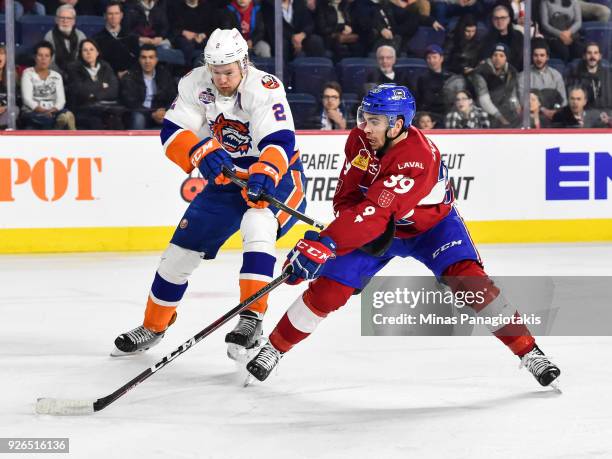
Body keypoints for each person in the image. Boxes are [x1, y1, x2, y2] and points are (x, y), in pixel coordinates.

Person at [244, 83, 561, 390]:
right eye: (365, 118)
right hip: (377, 225)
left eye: (375, 121)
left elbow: (377, 213)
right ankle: (274, 348)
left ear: (397, 124)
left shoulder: (416, 158)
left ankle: (529, 351)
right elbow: (348, 197)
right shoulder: (361, 140)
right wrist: (336, 238)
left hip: (431, 227)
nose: (365, 128)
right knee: (330, 289)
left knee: (471, 284)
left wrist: (327, 242)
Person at [112, 29, 308, 362]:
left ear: (243, 63)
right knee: (179, 253)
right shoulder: (194, 82)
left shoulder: (264, 87)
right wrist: (200, 151)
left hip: (278, 177)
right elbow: (173, 130)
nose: (221, 78)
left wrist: (264, 174)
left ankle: (252, 319)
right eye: (215, 71)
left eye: (228, 71)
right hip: (227, 179)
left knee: (258, 226)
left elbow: (279, 142)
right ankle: (153, 325)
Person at [66, 39, 122, 129]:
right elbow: (81, 91)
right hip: (83, 109)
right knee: (95, 122)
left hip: (105, 107)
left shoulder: (105, 66)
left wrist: (94, 94)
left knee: (117, 122)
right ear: (81, 53)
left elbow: (114, 90)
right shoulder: (73, 68)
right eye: (85, 50)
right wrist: (102, 86)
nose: (88, 53)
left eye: (91, 49)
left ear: (97, 52)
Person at [20, 41, 76, 130]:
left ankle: (69, 135)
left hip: (53, 111)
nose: (43, 59)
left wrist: (53, 109)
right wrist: (43, 111)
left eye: (47, 56)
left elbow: (61, 100)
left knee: (67, 114)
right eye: (40, 55)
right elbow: (27, 99)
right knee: (47, 119)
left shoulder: (56, 76)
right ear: (35, 57)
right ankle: (56, 128)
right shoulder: (28, 73)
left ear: (51, 58)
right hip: (33, 112)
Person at [120, 45, 176, 129]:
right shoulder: (130, 76)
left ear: (156, 60)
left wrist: (165, 112)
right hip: (140, 112)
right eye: (144, 57)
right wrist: (152, 113)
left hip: (160, 113)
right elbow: (130, 102)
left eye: (151, 57)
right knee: (138, 118)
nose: (147, 61)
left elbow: (173, 97)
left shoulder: (164, 75)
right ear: (139, 60)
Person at [471, 43, 521, 127]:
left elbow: (513, 96)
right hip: (484, 111)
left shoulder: (512, 72)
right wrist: (501, 118)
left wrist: (518, 110)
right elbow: (484, 100)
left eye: (501, 56)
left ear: (506, 58)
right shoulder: (480, 72)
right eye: (495, 55)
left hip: (504, 108)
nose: (498, 58)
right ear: (491, 57)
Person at [518, 39, 567, 117]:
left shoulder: (556, 75)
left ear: (547, 57)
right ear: (532, 57)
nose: (539, 59)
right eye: (536, 55)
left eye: (542, 55)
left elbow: (563, 101)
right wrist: (543, 110)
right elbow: (522, 100)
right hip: (531, 117)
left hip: (554, 116)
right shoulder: (523, 76)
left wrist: (555, 112)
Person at [93, 1, 140, 78]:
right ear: (105, 16)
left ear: (121, 15)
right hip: (107, 79)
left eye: (116, 13)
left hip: (130, 78)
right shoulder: (96, 39)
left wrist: (128, 73)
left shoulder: (132, 37)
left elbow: (137, 61)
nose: (113, 17)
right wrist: (115, 74)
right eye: (110, 14)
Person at [566, 42, 612, 111]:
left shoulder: (609, 74)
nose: (592, 56)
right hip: (585, 113)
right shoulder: (575, 74)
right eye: (589, 53)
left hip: (608, 113)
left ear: (600, 56)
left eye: (595, 53)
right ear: (584, 56)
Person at [43, 4, 87, 77]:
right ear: (56, 20)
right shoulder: (49, 36)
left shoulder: (80, 36)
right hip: (55, 75)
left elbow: (83, 58)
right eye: (62, 18)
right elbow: (49, 61)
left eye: (69, 18)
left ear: (74, 21)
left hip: (77, 75)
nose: (65, 21)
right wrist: (60, 75)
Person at [480, 5, 524, 71]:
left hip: (514, 72)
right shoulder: (487, 38)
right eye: (496, 18)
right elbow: (486, 58)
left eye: (503, 18)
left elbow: (520, 59)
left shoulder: (518, 36)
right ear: (492, 20)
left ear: (509, 19)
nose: (499, 21)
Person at [169, 0, 213, 66]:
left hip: (201, 37)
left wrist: (203, 35)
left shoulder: (206, 7)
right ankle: (194, 67)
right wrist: (183, 32)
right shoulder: (177, 7)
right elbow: (172, 26)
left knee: (211, 45)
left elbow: (210, 27)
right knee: (187, 46)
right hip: (183, 37)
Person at [0, 45, 18, 129]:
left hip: (4, 113)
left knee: (14, 109)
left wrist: (5, 107)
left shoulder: (11, 76)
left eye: (2, 53)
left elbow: (15, 100)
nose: (0, 56)